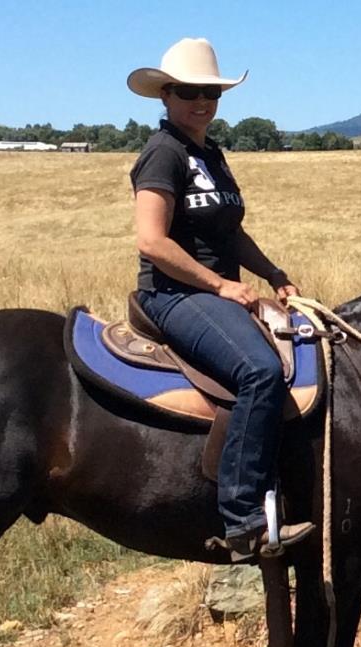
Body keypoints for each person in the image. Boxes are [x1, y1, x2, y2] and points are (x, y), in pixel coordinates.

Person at [127, 37, 314, 561]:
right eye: (189, 91)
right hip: (174, 294)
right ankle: (243, 518)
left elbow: (230, 233)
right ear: (166, 95)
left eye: (211, 92)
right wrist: (221, 285)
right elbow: (151, 242)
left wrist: (273, 273)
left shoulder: (210, 153)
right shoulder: (163, 153)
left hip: (216, 293)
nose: (202, 101)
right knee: (260, 372)